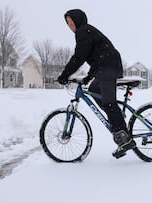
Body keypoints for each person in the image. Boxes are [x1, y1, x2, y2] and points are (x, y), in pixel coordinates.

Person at [57, 9, 135, 159]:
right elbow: (97, 58)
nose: (70, 26)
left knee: (108, 102)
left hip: (109, 67)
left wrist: (65, 75)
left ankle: (125, 138)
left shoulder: (83, 31)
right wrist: (88, 77)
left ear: (78, 20)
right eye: (68, 23)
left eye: (71, 22)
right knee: (93, 89)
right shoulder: (86, 32)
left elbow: (79, 57)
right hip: (106, 66)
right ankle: (117, 122)